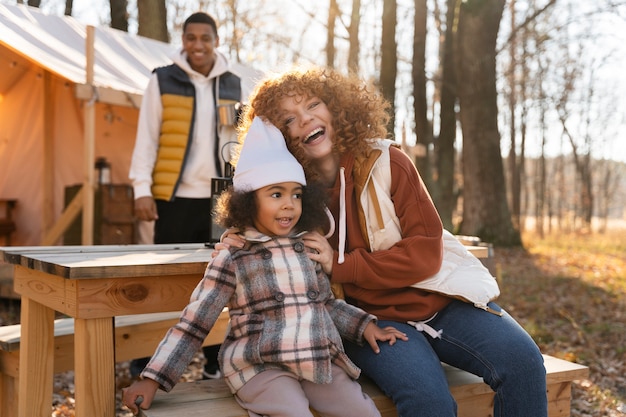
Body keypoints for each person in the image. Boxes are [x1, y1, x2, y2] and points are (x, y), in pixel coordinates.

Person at [219, 67, 549, 417]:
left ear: (336, 108)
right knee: (429, 402)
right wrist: (239, 235)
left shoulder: (387, 162)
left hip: (441, 301)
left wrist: (342, 265)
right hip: (369, 322)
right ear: (277, 138)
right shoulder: (289, 193)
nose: (305, 120)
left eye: (314, 105)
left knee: (524, 362)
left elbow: (424, 253)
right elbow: (258, 230)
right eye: (288, 119)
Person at [122, 116, 407, 417]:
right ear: (246, 202)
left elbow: (325, 305)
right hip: (260, 365)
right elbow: (195, 323)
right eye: (276, 194)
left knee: (363, 412)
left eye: (296, 194)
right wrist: (152, 378)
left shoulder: (306, 248)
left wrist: (365, 326)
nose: (289, 204)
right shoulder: (234, 256)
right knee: (293, 412)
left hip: (315, 357)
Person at [128, 11, 245, 380]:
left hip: (218, 200)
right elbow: (146, 137)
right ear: (183, 40)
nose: (197, 45)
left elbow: (238, 142)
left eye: (204, 38)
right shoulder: (162, 80)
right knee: (166, 280)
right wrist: (141, 189)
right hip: (173, 197)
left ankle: (213, 361)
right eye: (190, 38)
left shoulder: (234, 84)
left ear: (216, 41)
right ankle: (147, 360)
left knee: (217, 279)